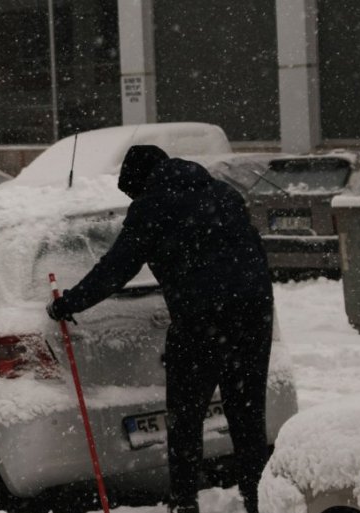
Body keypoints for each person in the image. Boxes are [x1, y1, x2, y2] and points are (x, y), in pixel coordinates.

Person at [46, 145, 274, 513]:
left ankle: (184, 505)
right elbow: (255, 252)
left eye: (132, 192)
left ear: (140, 181)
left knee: (185, 420)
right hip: (254, 314)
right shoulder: (224, 193)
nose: (134, 199)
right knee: (248, 418)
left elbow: (117, 268)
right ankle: (258, 500)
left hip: (201, 321)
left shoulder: (152, 207)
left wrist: (68, 303)